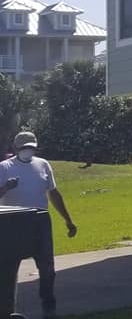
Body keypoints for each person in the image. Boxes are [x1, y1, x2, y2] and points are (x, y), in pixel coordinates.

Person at [0, 133, 76, 319]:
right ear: (16, 148)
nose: (28, 150)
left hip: (40, 219)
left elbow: (53, 193)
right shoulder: (4, 168)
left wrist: (68, 220)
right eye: (24, 147)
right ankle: (7, 311)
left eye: (31, 147)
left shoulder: (43, 165)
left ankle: (49, 309)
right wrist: (6, 188)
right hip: (13, 221)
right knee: (9, 269)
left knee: (47, 267)